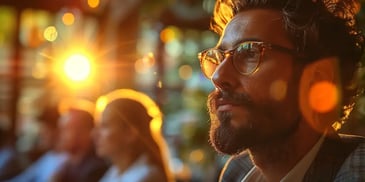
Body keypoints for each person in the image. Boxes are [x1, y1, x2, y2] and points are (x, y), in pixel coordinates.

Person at [197, 0, 365, 181]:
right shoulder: (237, 171)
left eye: (249, 52)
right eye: (218, 58)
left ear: (318, 78)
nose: (218, 77)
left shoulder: (356, 172)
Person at [93, 89, 174, 182]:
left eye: (105, 126)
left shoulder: (146, 177)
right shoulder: (115, 172)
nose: (95, 134)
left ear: (130, 133)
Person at [7, 106, 68, 182]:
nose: (41, 137)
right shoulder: (48, 157)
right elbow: (25, 177)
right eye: (41, 133)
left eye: (45, 132)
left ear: (57, 132)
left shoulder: (64, 161)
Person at [51, 103, 109, 182]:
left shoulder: (96, 169)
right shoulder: (68, 165)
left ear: (85, 133)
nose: (59, 135)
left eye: (65, 129)